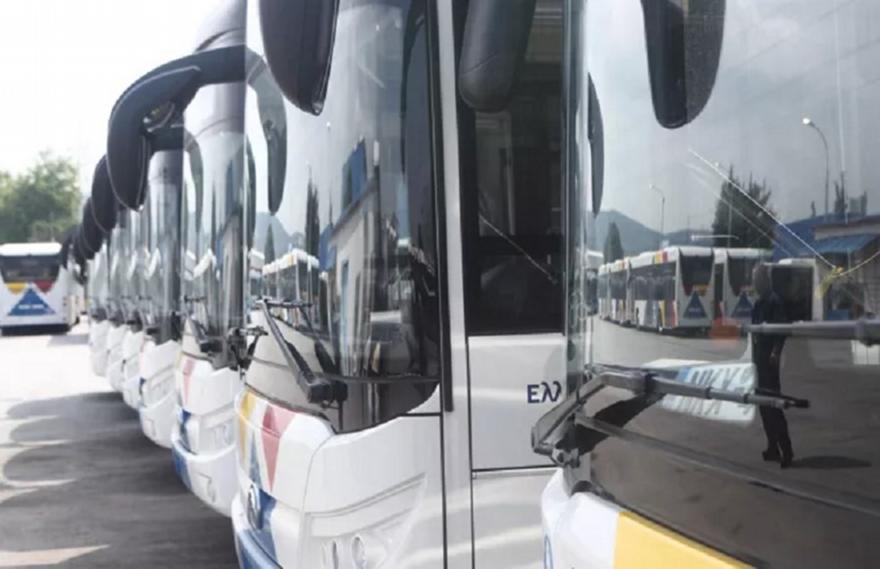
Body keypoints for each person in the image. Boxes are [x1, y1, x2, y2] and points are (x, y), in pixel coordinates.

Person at [751, 264, 794, 468]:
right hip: (759, 360)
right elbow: (754, 332)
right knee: (763, 405)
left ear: (764, 280)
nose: (754, 284)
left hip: (770, 361)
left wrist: (776, 351)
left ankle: (787, 450)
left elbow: (782, 330)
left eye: (756, 280)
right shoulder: (758, 303)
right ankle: (772, 447)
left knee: (774, 405)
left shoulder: (774, 302)